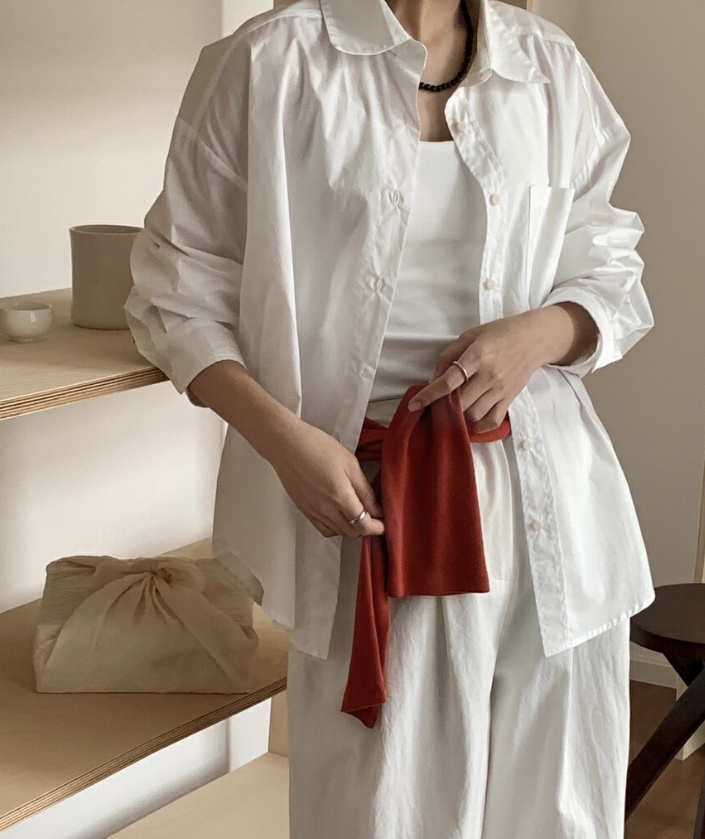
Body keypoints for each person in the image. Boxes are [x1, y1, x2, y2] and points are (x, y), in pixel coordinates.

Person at [125, 0, 655, 835]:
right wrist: (283, 443)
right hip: (373, 505)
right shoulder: (269, 64)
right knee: (386, 810)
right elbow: (175, 293)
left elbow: (610, 262)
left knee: (559, 810)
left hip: (550, 503)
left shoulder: (548, 65)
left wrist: (542, 334)